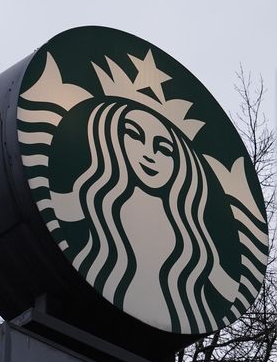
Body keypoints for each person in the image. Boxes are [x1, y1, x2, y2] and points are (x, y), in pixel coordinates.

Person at [50, 99, 239, 334]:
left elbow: (230, 288)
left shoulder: (191, 232)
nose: (149, 155)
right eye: (134, 135)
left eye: (163, 149)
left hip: (169, 317)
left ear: (181, 163)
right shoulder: (92, 198)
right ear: (112, 139)